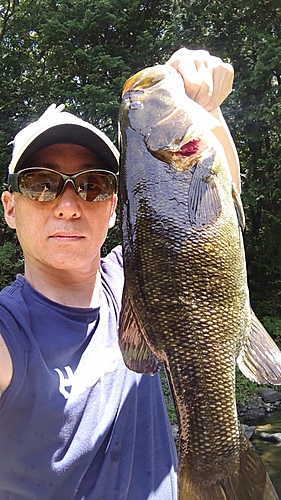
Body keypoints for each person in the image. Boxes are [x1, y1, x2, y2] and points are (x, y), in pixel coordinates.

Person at [0, 48, 238, 499]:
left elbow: (218, 196)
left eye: (92, 185)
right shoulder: (8, 332)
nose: (68, 205)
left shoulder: (140, 278)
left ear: (114, 208)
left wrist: (207, 109)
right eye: (40, 183)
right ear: (11, 207)